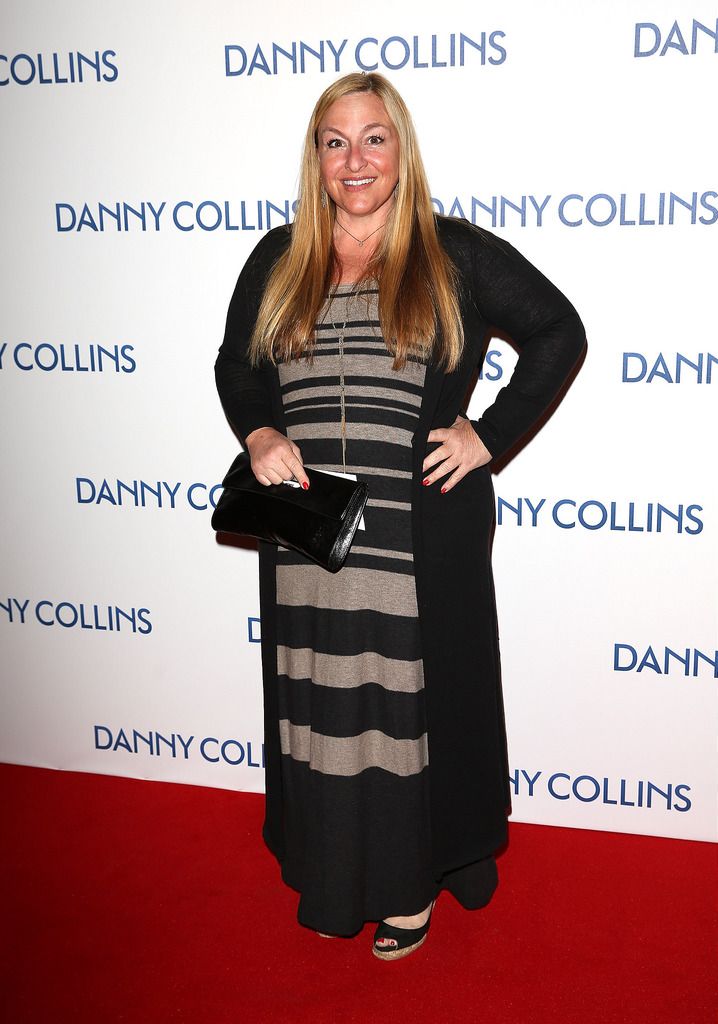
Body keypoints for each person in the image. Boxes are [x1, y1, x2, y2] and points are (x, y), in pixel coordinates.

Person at [214, 71, 586, 959]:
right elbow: (236, 365)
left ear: (401, 148)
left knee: (412, 712)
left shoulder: (449, 251)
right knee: (323, 707)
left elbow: (558, 331)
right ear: (316, 157)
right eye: (335, 140)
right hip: (310, 538)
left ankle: (409, 885)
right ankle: (334, 866)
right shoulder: (279, 256)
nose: (355, 158)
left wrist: (488, 436)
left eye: (373, 137)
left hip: (422, 539)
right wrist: (262, 429)